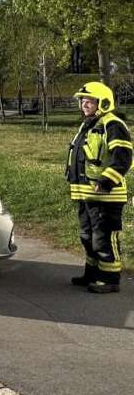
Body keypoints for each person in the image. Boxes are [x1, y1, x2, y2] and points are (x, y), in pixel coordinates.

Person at [64, 81, 128, 294]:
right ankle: (92, 273)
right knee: (87, 236)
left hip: (106, 197)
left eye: (89, 101)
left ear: (103, 102)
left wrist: (107, 181)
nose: (84, 104)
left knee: (103, 237)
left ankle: (110, 279)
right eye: (83, 100)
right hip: (87, 195)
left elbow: (123, 157)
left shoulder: (113, 125)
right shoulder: (89, 124)